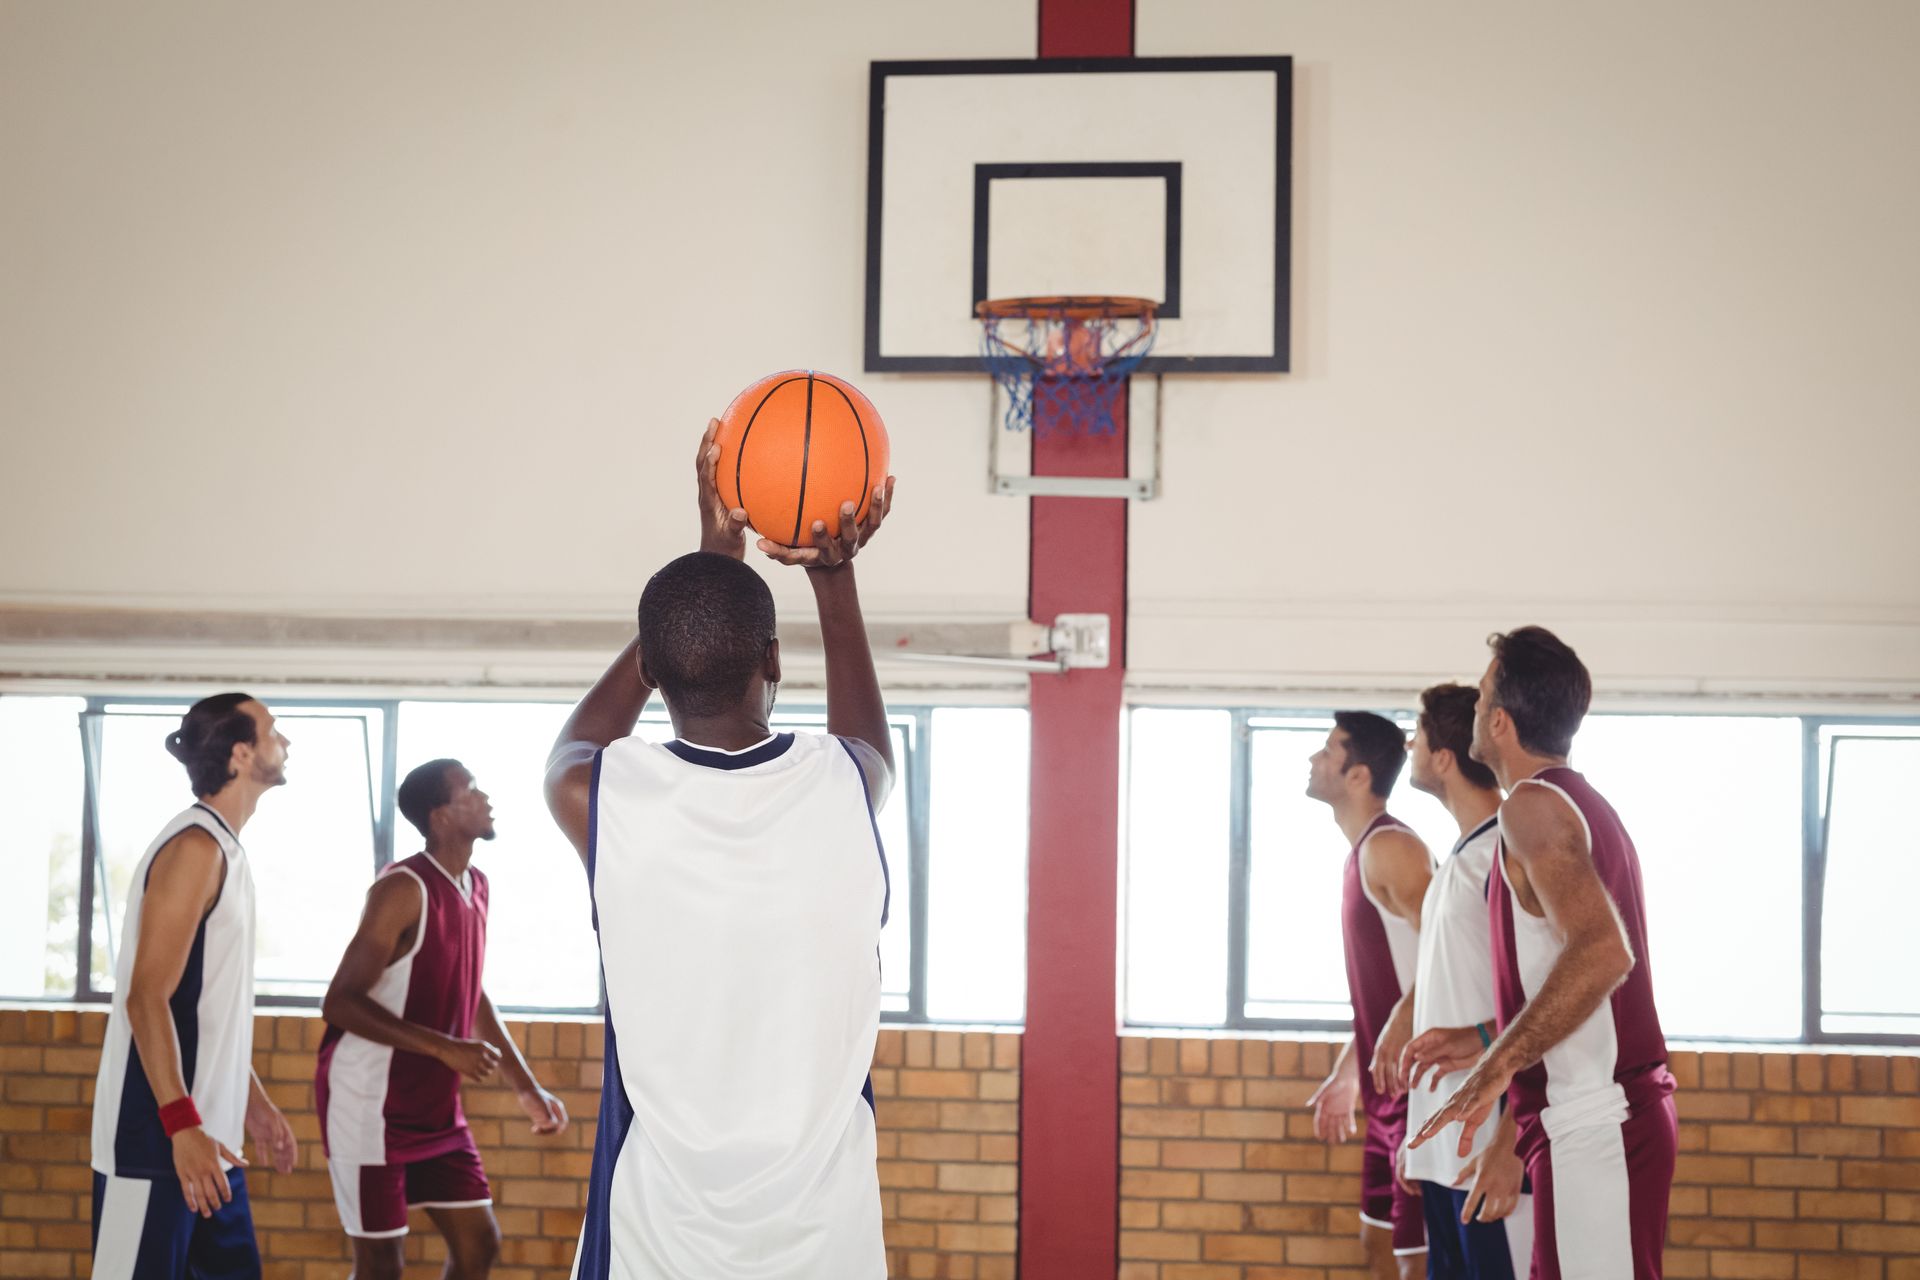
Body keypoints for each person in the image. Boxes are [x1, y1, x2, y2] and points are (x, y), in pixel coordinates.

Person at [544, 420, 898, 1279]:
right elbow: (868, 738)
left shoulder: (604, 798)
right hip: (827, 1243)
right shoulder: (843, 784)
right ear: (773, 660)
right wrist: (834, 575)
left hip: (659, 1239)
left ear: (655, 673)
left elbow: (571, 747)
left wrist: (713, 558)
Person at [1407, 627, 1677, 1280]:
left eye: (1479, 701)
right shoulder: (1573, 805)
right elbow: (1558, 985)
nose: (1473, 711)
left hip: (1599, 1117)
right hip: (1575, 1119)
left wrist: (1497, 1062)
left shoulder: (1533, 806)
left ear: (1498, 723)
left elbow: (1603, 955)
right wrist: (1507, 1127)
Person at [316, 758, 566, 1279]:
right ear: (440, 816)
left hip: (435, 1110)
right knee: (381, 1266)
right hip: (370, 1103)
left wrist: (526, 1088)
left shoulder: (477, 885)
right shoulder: (402, 889)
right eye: (471, 790)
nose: (486, 798)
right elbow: (340, 1002)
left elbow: (471, 992)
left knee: (479, 1245)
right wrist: (443, 1047)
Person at [90, 694, 299, 1280]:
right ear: (241, 753)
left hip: (213, 1145)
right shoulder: (195, 848)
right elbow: (146, 997)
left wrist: (250, 1102)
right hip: (160, 1145)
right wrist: (182, 1127)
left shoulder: (226, 847)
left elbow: (207, 1009)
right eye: (273, 731)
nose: (286, 743)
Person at [1399, 683, 1530, 1278]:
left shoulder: (1507, 849)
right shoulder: (1459, 854)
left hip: (1488, 1146)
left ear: (1443, 758)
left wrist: (1510, 1142)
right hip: (1441, 1145)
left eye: (1418, 736)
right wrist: (1416, 1137)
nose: (1409, 744)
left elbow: (1552, 998)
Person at [1304, 711, 1433, 1280]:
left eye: (1328, 750)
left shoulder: (1393, 849)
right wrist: (1348, 1072)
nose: (1313, 759)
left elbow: (1455, 958)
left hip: (1422, 1094)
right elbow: (1386, 993)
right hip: (1384, 1097)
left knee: (1416, 1264)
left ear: (1358, 775)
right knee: (1377, 1252)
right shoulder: (1358, 854)